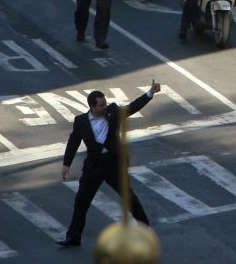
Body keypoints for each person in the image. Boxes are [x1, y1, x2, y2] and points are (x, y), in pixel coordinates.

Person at [58, 80, 161, 248]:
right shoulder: (81, 121)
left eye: (105, 103)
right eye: (101, 105)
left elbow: (131, 108)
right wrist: (66, 163)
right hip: (94, 166)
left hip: (113, 164)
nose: (105, 107)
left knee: (129, 198)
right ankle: (73, 238)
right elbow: (73, 141)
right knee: (81, 202)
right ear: (92, 107)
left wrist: (150, 92)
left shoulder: (112, 112)